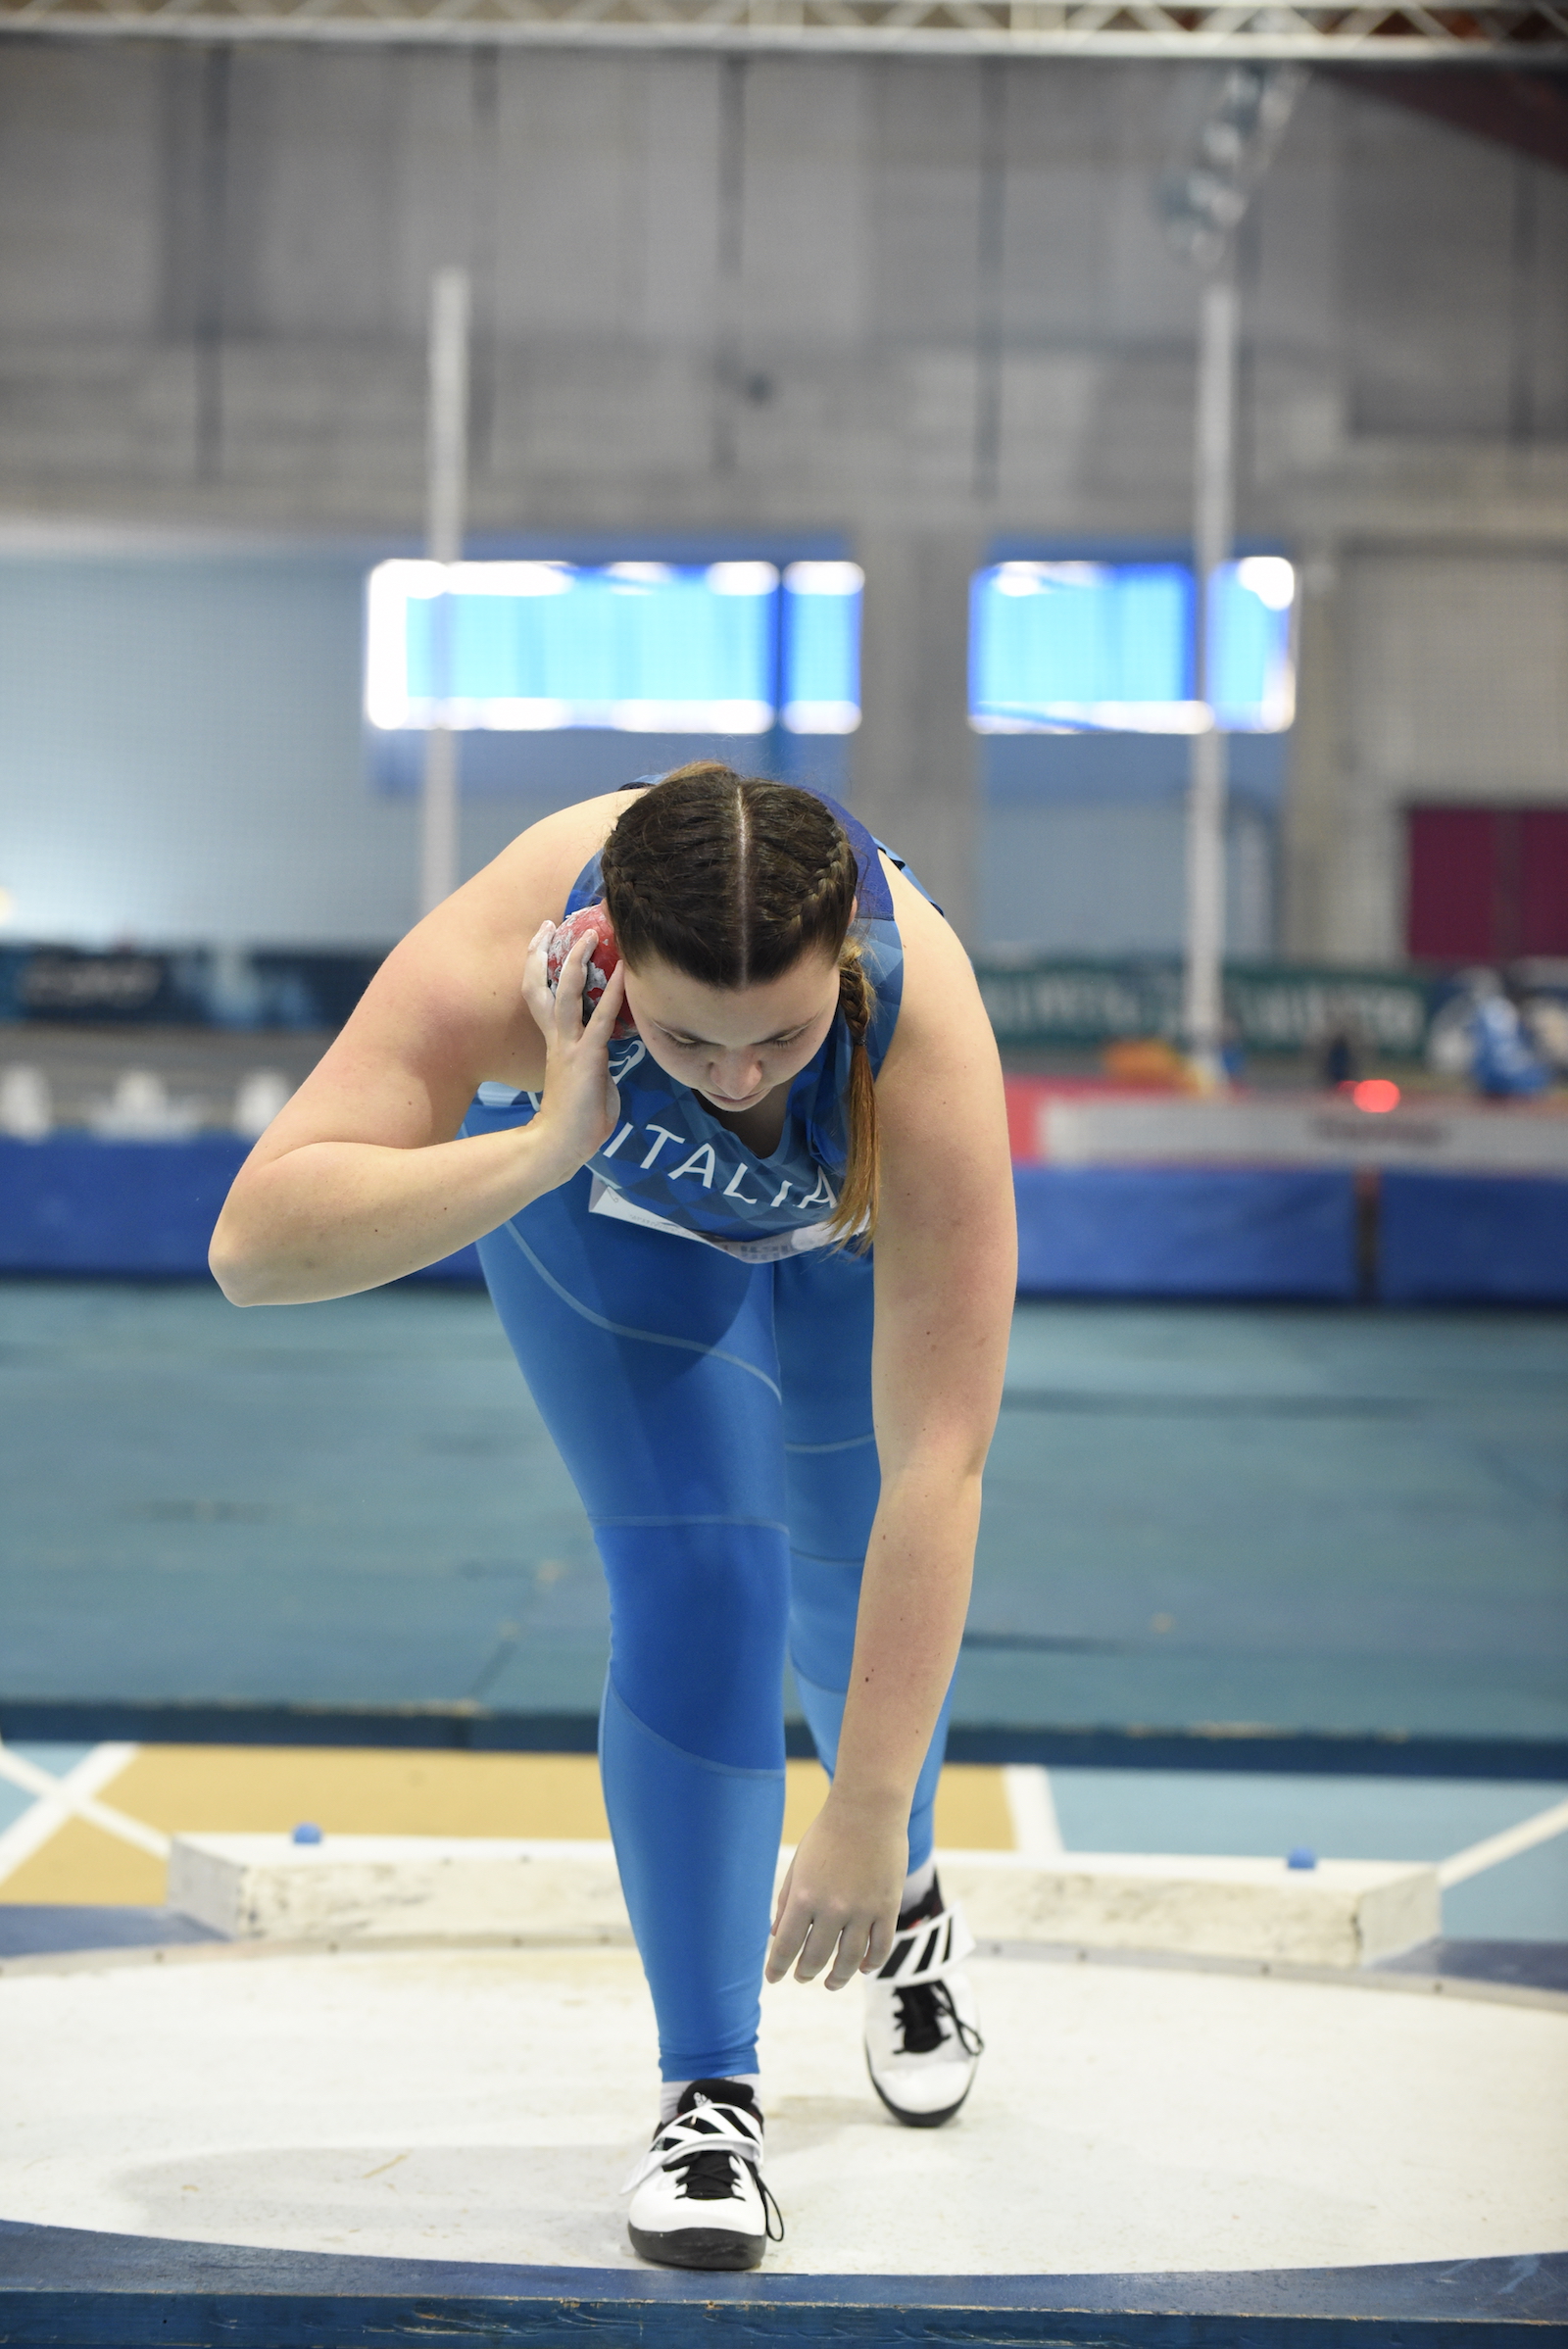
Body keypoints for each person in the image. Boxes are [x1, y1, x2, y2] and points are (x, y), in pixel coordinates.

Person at [210, 763, 1015, 2272]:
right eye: (688, 1035)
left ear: (840, 970)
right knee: (705, 1599)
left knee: (853, 1572)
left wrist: (861, 1809)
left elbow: (942, 1460)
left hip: (841, 1227)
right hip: (601, 1206)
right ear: (612, 963)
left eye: (781, 1034)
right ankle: (708, 2095)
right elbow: (253, 1249)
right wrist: (545, 1139)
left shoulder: (921, 1014)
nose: (736, 1077)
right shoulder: (504, 949)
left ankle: (905, 1896)